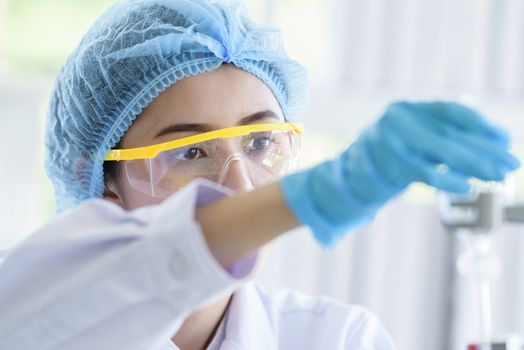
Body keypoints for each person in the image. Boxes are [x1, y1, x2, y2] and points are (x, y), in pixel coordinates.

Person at [0, 0, 520, 349]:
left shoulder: (337, 339)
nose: (241, 185)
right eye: (190, 152)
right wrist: (318, 194)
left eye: (260, 142)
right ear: (99, 181)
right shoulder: (34, 311)